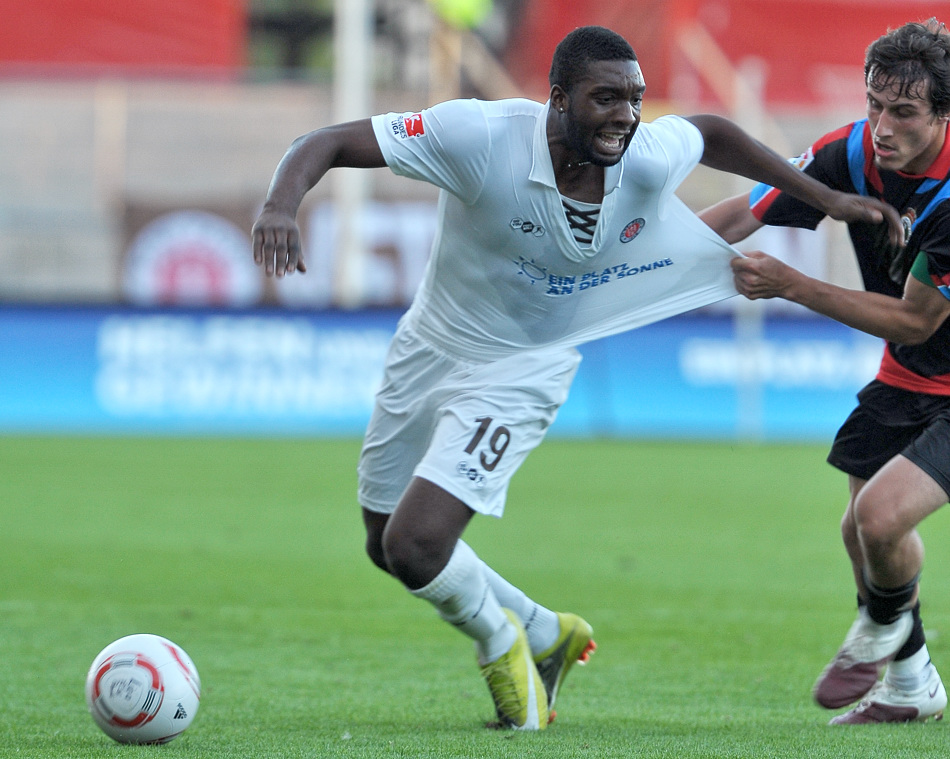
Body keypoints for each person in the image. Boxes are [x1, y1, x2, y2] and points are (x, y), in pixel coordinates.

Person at [253, 25, 901, 730]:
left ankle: (502, 645)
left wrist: (826, 199)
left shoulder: (642, 155)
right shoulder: (477, 137)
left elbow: (713, 132)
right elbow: (323, 143)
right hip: (428, 346)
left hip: (526, 366)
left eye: (635, 99)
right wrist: (281, 204)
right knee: (385, 544)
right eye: (606, 98)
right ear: (558, 99)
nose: (626, 116)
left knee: (416, 545)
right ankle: (543, 630)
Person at [700, 18, 950, 726]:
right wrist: (630, 259)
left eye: (904, 112)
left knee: (879, 515)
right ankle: (911, 684)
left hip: (925, 356)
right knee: (862, 534)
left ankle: (879, 625)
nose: (882, 125)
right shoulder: (852, 152)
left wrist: (793, 286)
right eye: (875, 103)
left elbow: (916, 320)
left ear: (943, 114)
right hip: (906, 376)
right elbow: (746, 213)